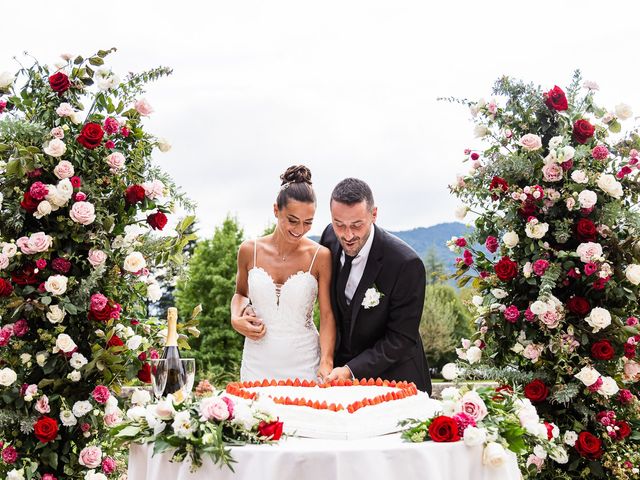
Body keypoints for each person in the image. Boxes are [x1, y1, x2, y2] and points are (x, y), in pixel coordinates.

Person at [320, 178, 431, 393]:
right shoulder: (328, 238)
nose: (347, 235)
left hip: (396, 380)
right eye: (339, 224)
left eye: (356, 225)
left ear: (374, 214)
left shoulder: (406, 264)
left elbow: (401, 338)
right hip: (341, 380)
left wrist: (351, 370)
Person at [230, 165, 336, 381]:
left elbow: (326, 316)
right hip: (256, 362)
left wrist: (326, 361)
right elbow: (241, 294)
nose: (299, 229)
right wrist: (236, 318)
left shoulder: (321, 256)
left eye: (308, 222)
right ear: (276, 210)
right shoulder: (249, 250)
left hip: (305, 363)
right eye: (292, 220)